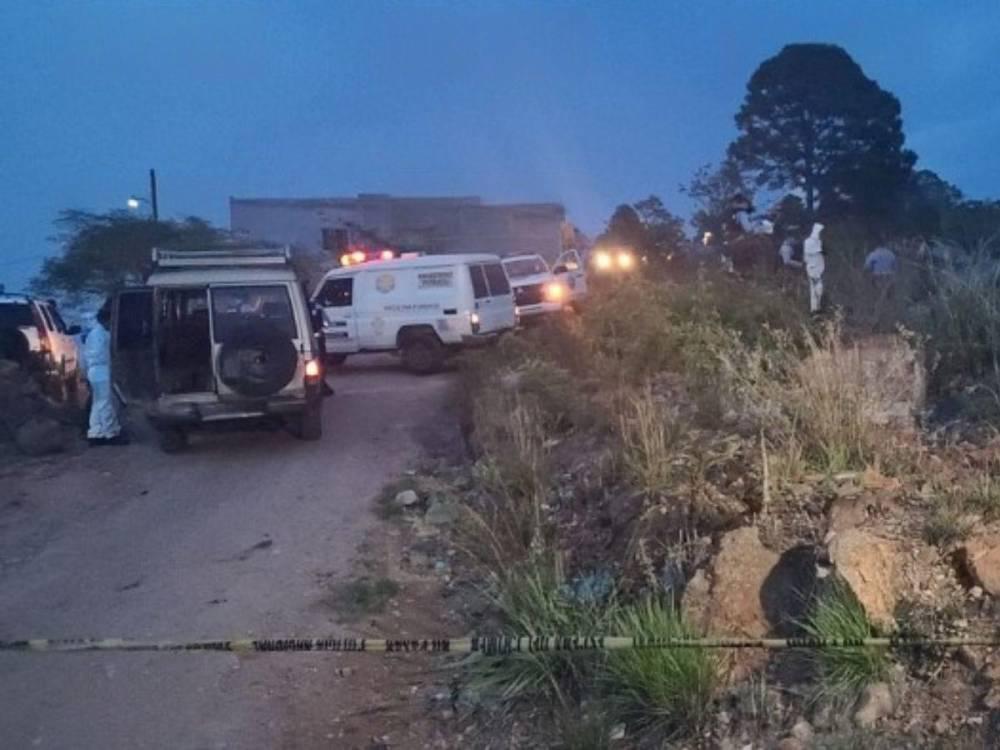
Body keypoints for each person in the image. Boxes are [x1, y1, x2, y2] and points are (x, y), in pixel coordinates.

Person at [83, 302, 127, 446]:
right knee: (106, 402)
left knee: (98, 403)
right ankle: (111, 433)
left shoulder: (95, 333)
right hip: (101, 369)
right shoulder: (100, 334)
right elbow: (103, 355)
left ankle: (95, 432)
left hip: (95, 370)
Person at [803, 223, 825, 314]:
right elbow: (808, 254)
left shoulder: (818, 241)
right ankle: (815, 309)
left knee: (816, 289)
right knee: (817, 288)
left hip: (818, 268)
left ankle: (815, 309)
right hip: (813, 268)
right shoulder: (809, 242)